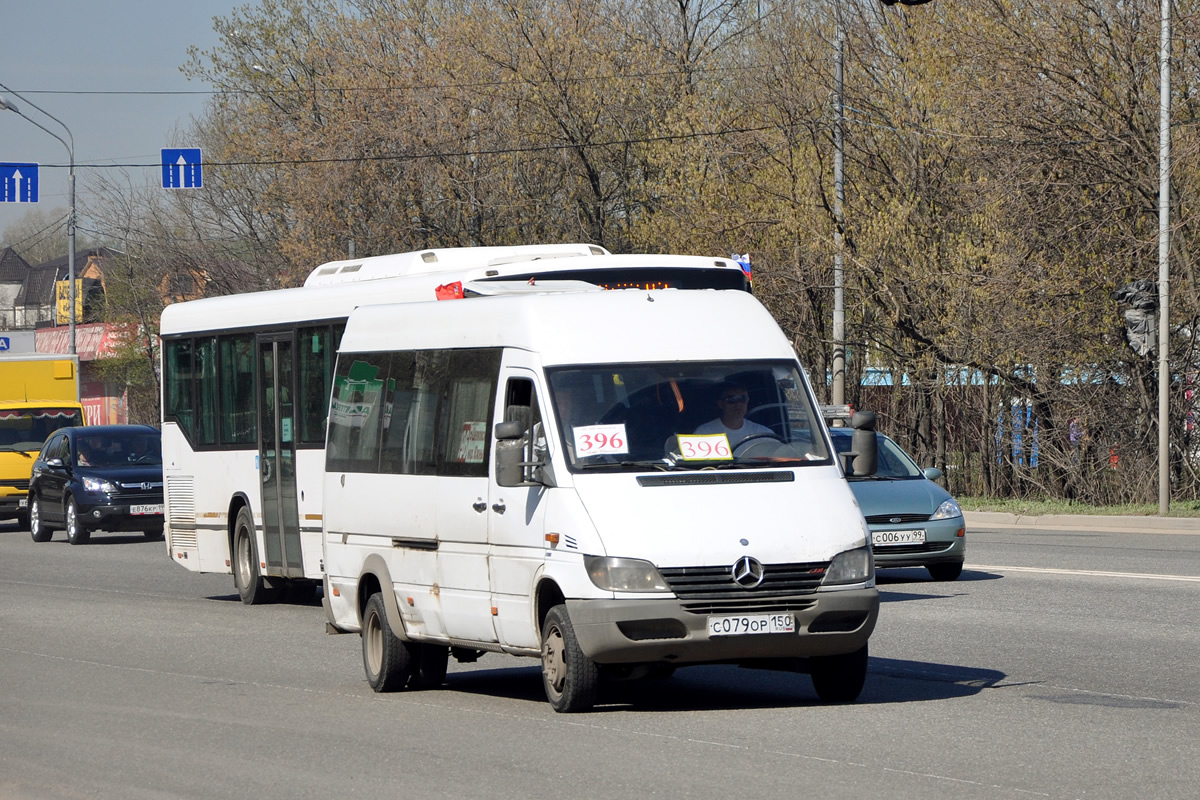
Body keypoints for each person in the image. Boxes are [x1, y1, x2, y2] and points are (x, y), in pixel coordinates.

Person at [694, 381, 773, 448]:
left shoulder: (763, 434)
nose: (738, 404)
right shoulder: (705, 433)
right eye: (732, 400)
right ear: (721, 404)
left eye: (743, 399)